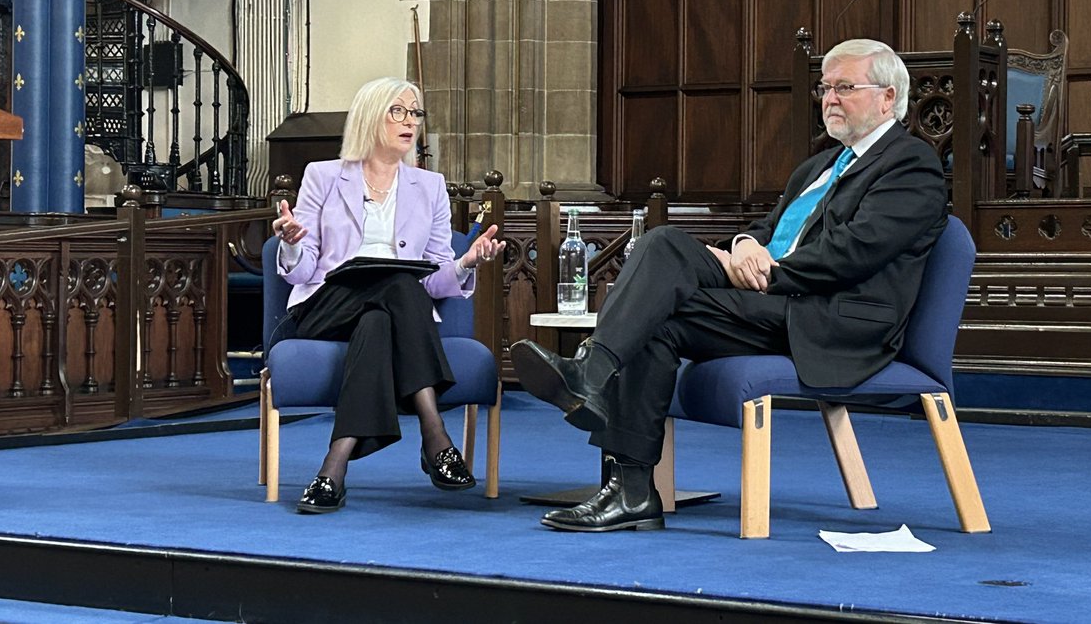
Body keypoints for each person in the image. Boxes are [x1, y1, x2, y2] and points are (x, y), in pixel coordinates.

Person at [511, 39, 947, 533]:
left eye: (844, 87)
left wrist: (767, 274)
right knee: (660, 274)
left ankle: (592, 376)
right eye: (825, 88)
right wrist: (741, 246)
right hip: (778, 297)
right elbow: (768, 231)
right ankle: (630, 487)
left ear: (888, 98)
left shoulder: (911, 166)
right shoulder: (819, 165)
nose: (829, 98)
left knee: (663, 257)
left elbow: (853, 253)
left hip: (831, 318)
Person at [271, 77, 505, 514]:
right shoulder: (322, 176)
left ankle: (332, 468)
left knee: (379, 319)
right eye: (397, 111)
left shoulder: (429, 186)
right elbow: (302, 271)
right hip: (325, 305)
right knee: (400, 283)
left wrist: (466, 263)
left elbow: (434, 277)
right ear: (369, 117)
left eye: (415, 113)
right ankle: (434, 434)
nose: (410, 122)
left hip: (391, 314)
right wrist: (290, 241)